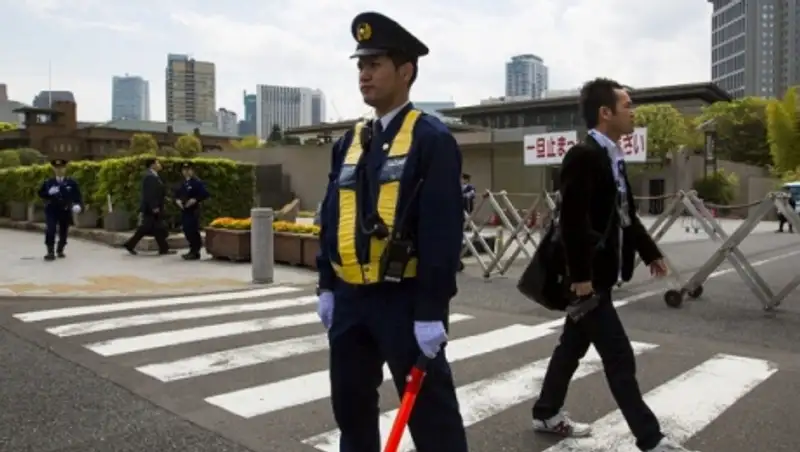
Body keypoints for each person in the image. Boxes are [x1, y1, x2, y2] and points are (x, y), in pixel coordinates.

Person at [314, 11, 468, 452]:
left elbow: (442, 231)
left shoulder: (431, 139)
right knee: (351, 409)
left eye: (375, 64)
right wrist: (326, 284)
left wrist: (432, 310)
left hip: (404, 300)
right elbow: (332, 216)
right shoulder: (350, 141)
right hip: (350, 299)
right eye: (361, 65)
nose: (364, 75)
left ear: (406, 71)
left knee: (432, 418)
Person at [530, 78, 696, 452]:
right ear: (605, 113)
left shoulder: (612, 157)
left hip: (599, 276)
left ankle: (546, 412)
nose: (633, 112)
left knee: (572, 346)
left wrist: (650, 253)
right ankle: (651, 439)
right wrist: (581, 277)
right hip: (587, 279)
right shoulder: (584, 155)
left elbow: (625, 216)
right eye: (627, 106)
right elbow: (572, 221)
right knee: (619, 355)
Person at [123, 157, 173, 255]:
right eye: (157, 163)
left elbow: (158, 191)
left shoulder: (154, 176)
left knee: (155, 228)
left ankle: (163, 248)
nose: (159, 165)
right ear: (152, 165)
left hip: (153, 207)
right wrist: (154, 207)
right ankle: (130, 244)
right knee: (149, 227)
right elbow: (150, 194)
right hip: (151, 208)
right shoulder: (150, 177)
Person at [38, 159, 82, 261]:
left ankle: (60, 248)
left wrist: (78, 205)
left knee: (64, 230)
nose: (59, 170)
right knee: (50, 229)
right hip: (52, 209)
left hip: (65, 210)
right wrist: (48, 193)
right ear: (53, 169)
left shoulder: (71, 183)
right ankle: (50, 251)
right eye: (57, 168)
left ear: (65, 169)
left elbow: (77, 196)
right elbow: (40, 194)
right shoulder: (49, 182)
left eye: (61, 168)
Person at [173, 162, 210, 260]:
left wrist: (195, 199)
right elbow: (176, 194)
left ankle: (195, 250)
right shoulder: (182, 183)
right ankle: (192, 249)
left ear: (192, 171)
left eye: (188, 170)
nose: (186, 172)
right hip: (184, 209)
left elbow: (205, 194)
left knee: (192, 230)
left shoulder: (196, 182)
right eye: (184, 170)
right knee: (186, 230)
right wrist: (177, 201)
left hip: (194, 209)